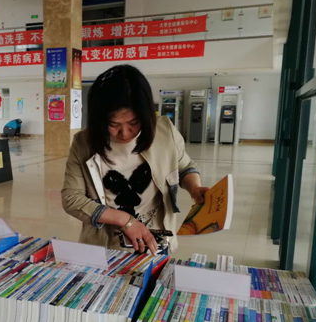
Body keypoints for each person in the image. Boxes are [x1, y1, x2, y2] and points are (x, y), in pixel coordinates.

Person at [62, 65, 209, 254]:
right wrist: (125, 220)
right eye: (114, 124)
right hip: (105, 246)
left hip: (156, 241)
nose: (124, 133)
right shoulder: (84, 143)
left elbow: (185, 166)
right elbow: (71, 198)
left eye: (133, 122)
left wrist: (194, 187)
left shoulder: (165, 132)